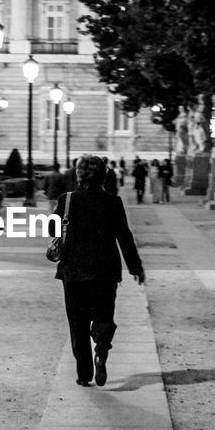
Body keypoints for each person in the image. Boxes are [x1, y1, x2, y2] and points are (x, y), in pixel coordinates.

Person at [54, 155, 145, 387]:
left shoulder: (67, 201)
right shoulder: (113, 202)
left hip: (73, 272)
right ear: (104, 175)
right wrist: (136, 267)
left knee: (78, 323)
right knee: (104, 315)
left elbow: (53, 230)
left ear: (79, 175)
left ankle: (84, 374)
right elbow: (124, 237)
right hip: (105, 271)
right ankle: (102, 349)